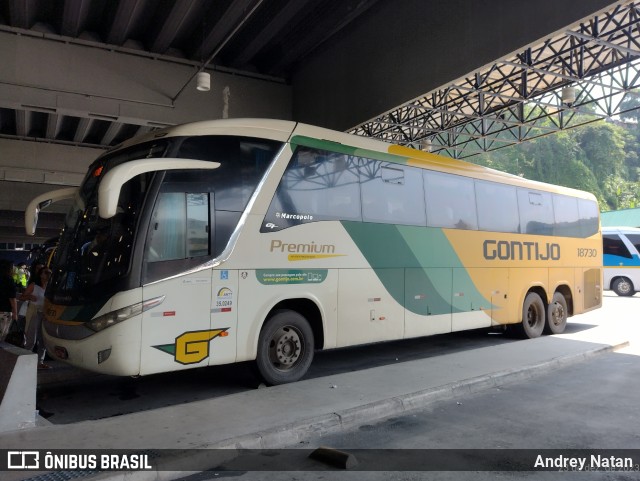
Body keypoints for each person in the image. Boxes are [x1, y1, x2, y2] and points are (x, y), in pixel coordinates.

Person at [22, 267, 52, 369]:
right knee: (31, 339)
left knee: (42, 339)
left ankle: (40, 362)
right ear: (40, 274)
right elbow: (22, 297)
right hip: (35, 312)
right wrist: (30, 296)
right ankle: (25, 361)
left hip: (44, 314)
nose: (48, 275)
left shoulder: (50, 287)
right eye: (46, 273)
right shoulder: (34, 285)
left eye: (50, 273)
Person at [0, 259, 18, 342]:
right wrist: (15, 313)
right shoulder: (9, 280)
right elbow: (12, 298)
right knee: (2, 334)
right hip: (4, 311)